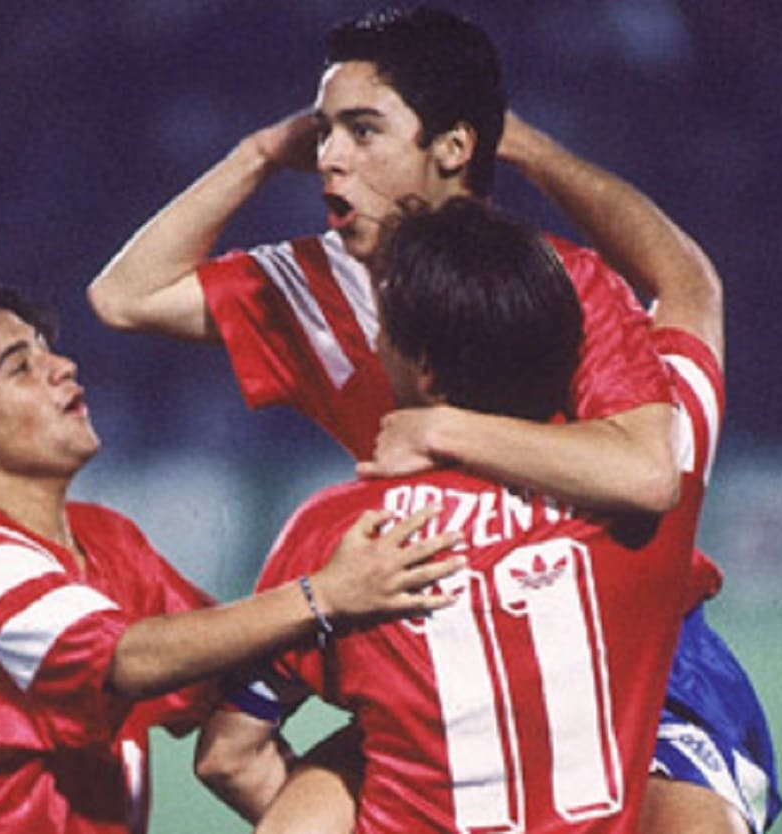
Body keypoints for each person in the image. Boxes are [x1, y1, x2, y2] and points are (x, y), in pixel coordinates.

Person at [88, 6, 781, 832]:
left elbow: (643, 472)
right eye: (322, 134)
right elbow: (123, 297)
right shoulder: (311, 283)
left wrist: (442, 429)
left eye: (361, 132)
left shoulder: (556, 285)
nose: (329, 160)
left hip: (622, 647)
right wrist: (257, 154)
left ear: (454, 147)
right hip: (432, 630)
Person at [0, 274, 465, 834]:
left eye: (47, 348)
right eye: (20, 366)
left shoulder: (108, 541)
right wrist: (323, 596)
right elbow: (128, 660)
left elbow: (226, 671)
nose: (61, 366)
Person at [196, 197, 704, 833]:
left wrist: (324, 792)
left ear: (427, 371)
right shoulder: (646, 514)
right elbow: (690, 289)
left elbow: (228, 757)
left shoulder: (342, 538)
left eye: (384, 331)